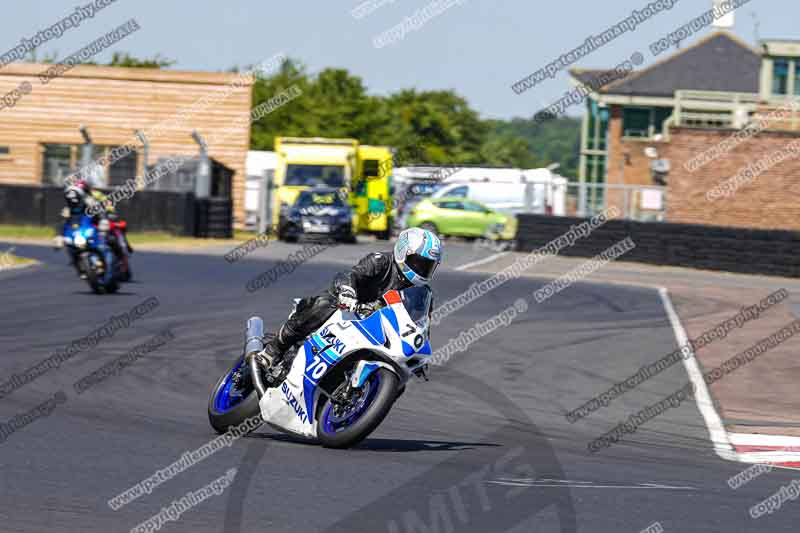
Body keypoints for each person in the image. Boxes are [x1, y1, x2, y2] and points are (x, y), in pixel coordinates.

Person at [251, 227, 442, 370]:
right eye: (419, 262)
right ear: (403, 251)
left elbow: (421, 326)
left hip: (376, 330)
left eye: (428, 266)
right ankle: (274, 349)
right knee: (323, 304)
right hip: (347, 309)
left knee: (398, 372)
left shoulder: (422, 293)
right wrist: (349, 293)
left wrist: (418, 354)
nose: (421, 269)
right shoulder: (380, 261)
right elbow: (350, 275)